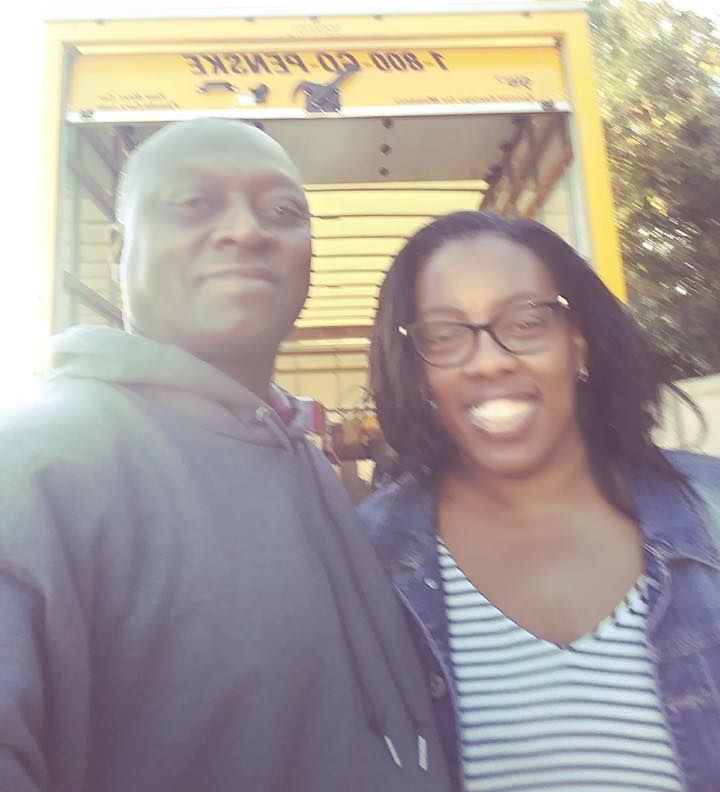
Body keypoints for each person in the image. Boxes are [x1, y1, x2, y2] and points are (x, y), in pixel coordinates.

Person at [0, 119, 452, 792]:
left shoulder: (298, 456)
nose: (247, 230)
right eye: (193, 203)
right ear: (118, 249)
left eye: (283, 212)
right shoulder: (35, 468)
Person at [360, 209, 720, 792]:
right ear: (419, 371)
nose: (488, 361)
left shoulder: (711, 507)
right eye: (445, 335)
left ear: (579, 344)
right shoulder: (368, 558)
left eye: (527, 322)